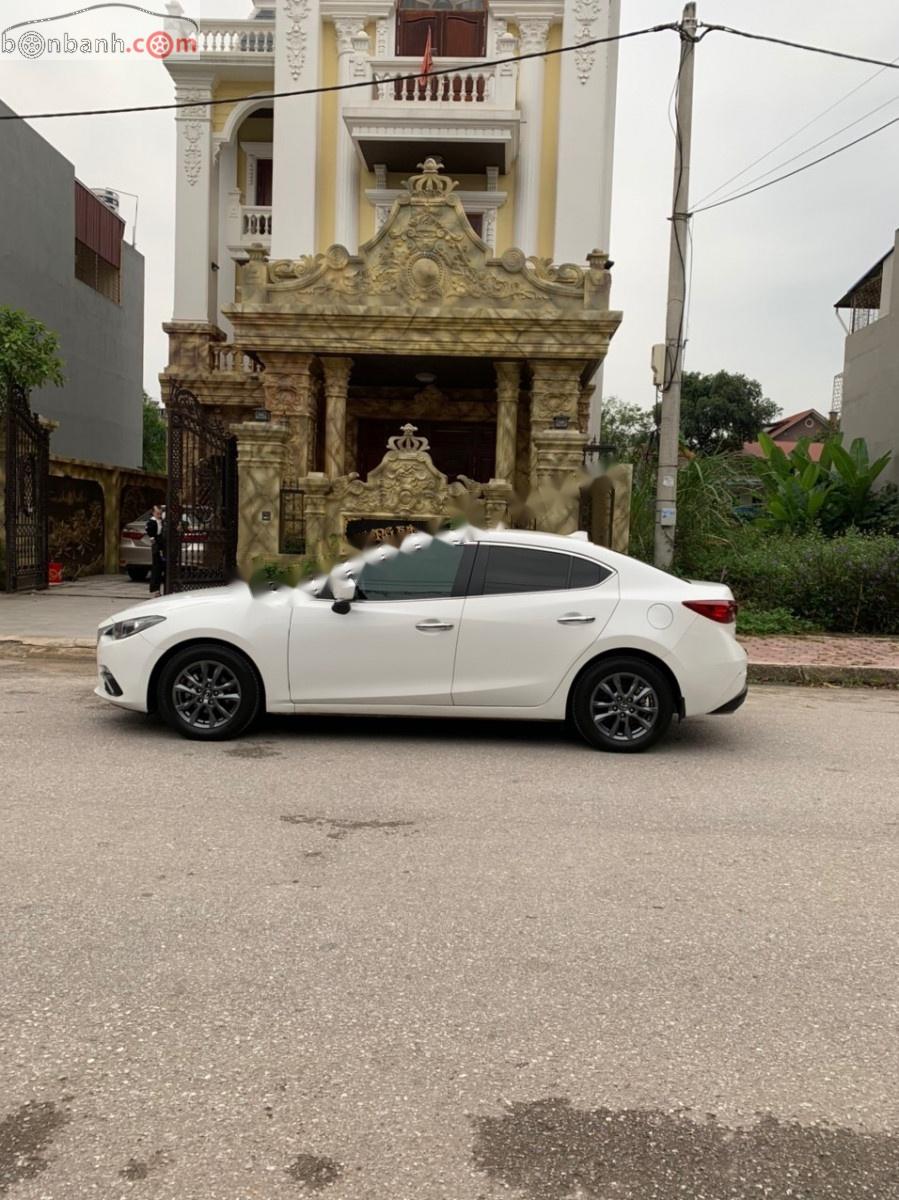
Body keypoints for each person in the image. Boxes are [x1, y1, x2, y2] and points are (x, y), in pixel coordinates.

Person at [146, 504, 166, 597]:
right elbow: (151, 534)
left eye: (160, 513)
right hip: (157, 545)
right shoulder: (152, 522)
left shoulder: (162, 521)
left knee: (164, 567)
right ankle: (156, 590)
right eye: (157, 513)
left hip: (163, 545)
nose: (159, 514)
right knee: (157, 567)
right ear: (153, 513)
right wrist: (153, 539)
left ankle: (165, 589)